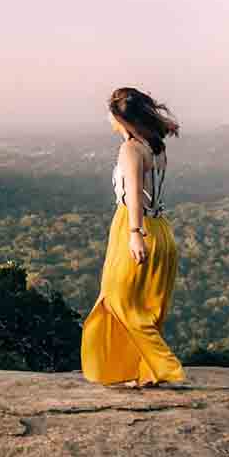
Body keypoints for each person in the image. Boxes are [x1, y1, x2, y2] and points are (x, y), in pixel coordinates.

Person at [80, 87, 184, 388]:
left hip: (134, 225)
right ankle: (144, 371)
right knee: (146, 305)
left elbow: (135, 195)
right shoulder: (155, 146)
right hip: (160, 227)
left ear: (121, 118)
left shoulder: (130, 151)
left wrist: (135, 235)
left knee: (119, 300)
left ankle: (165, 367)